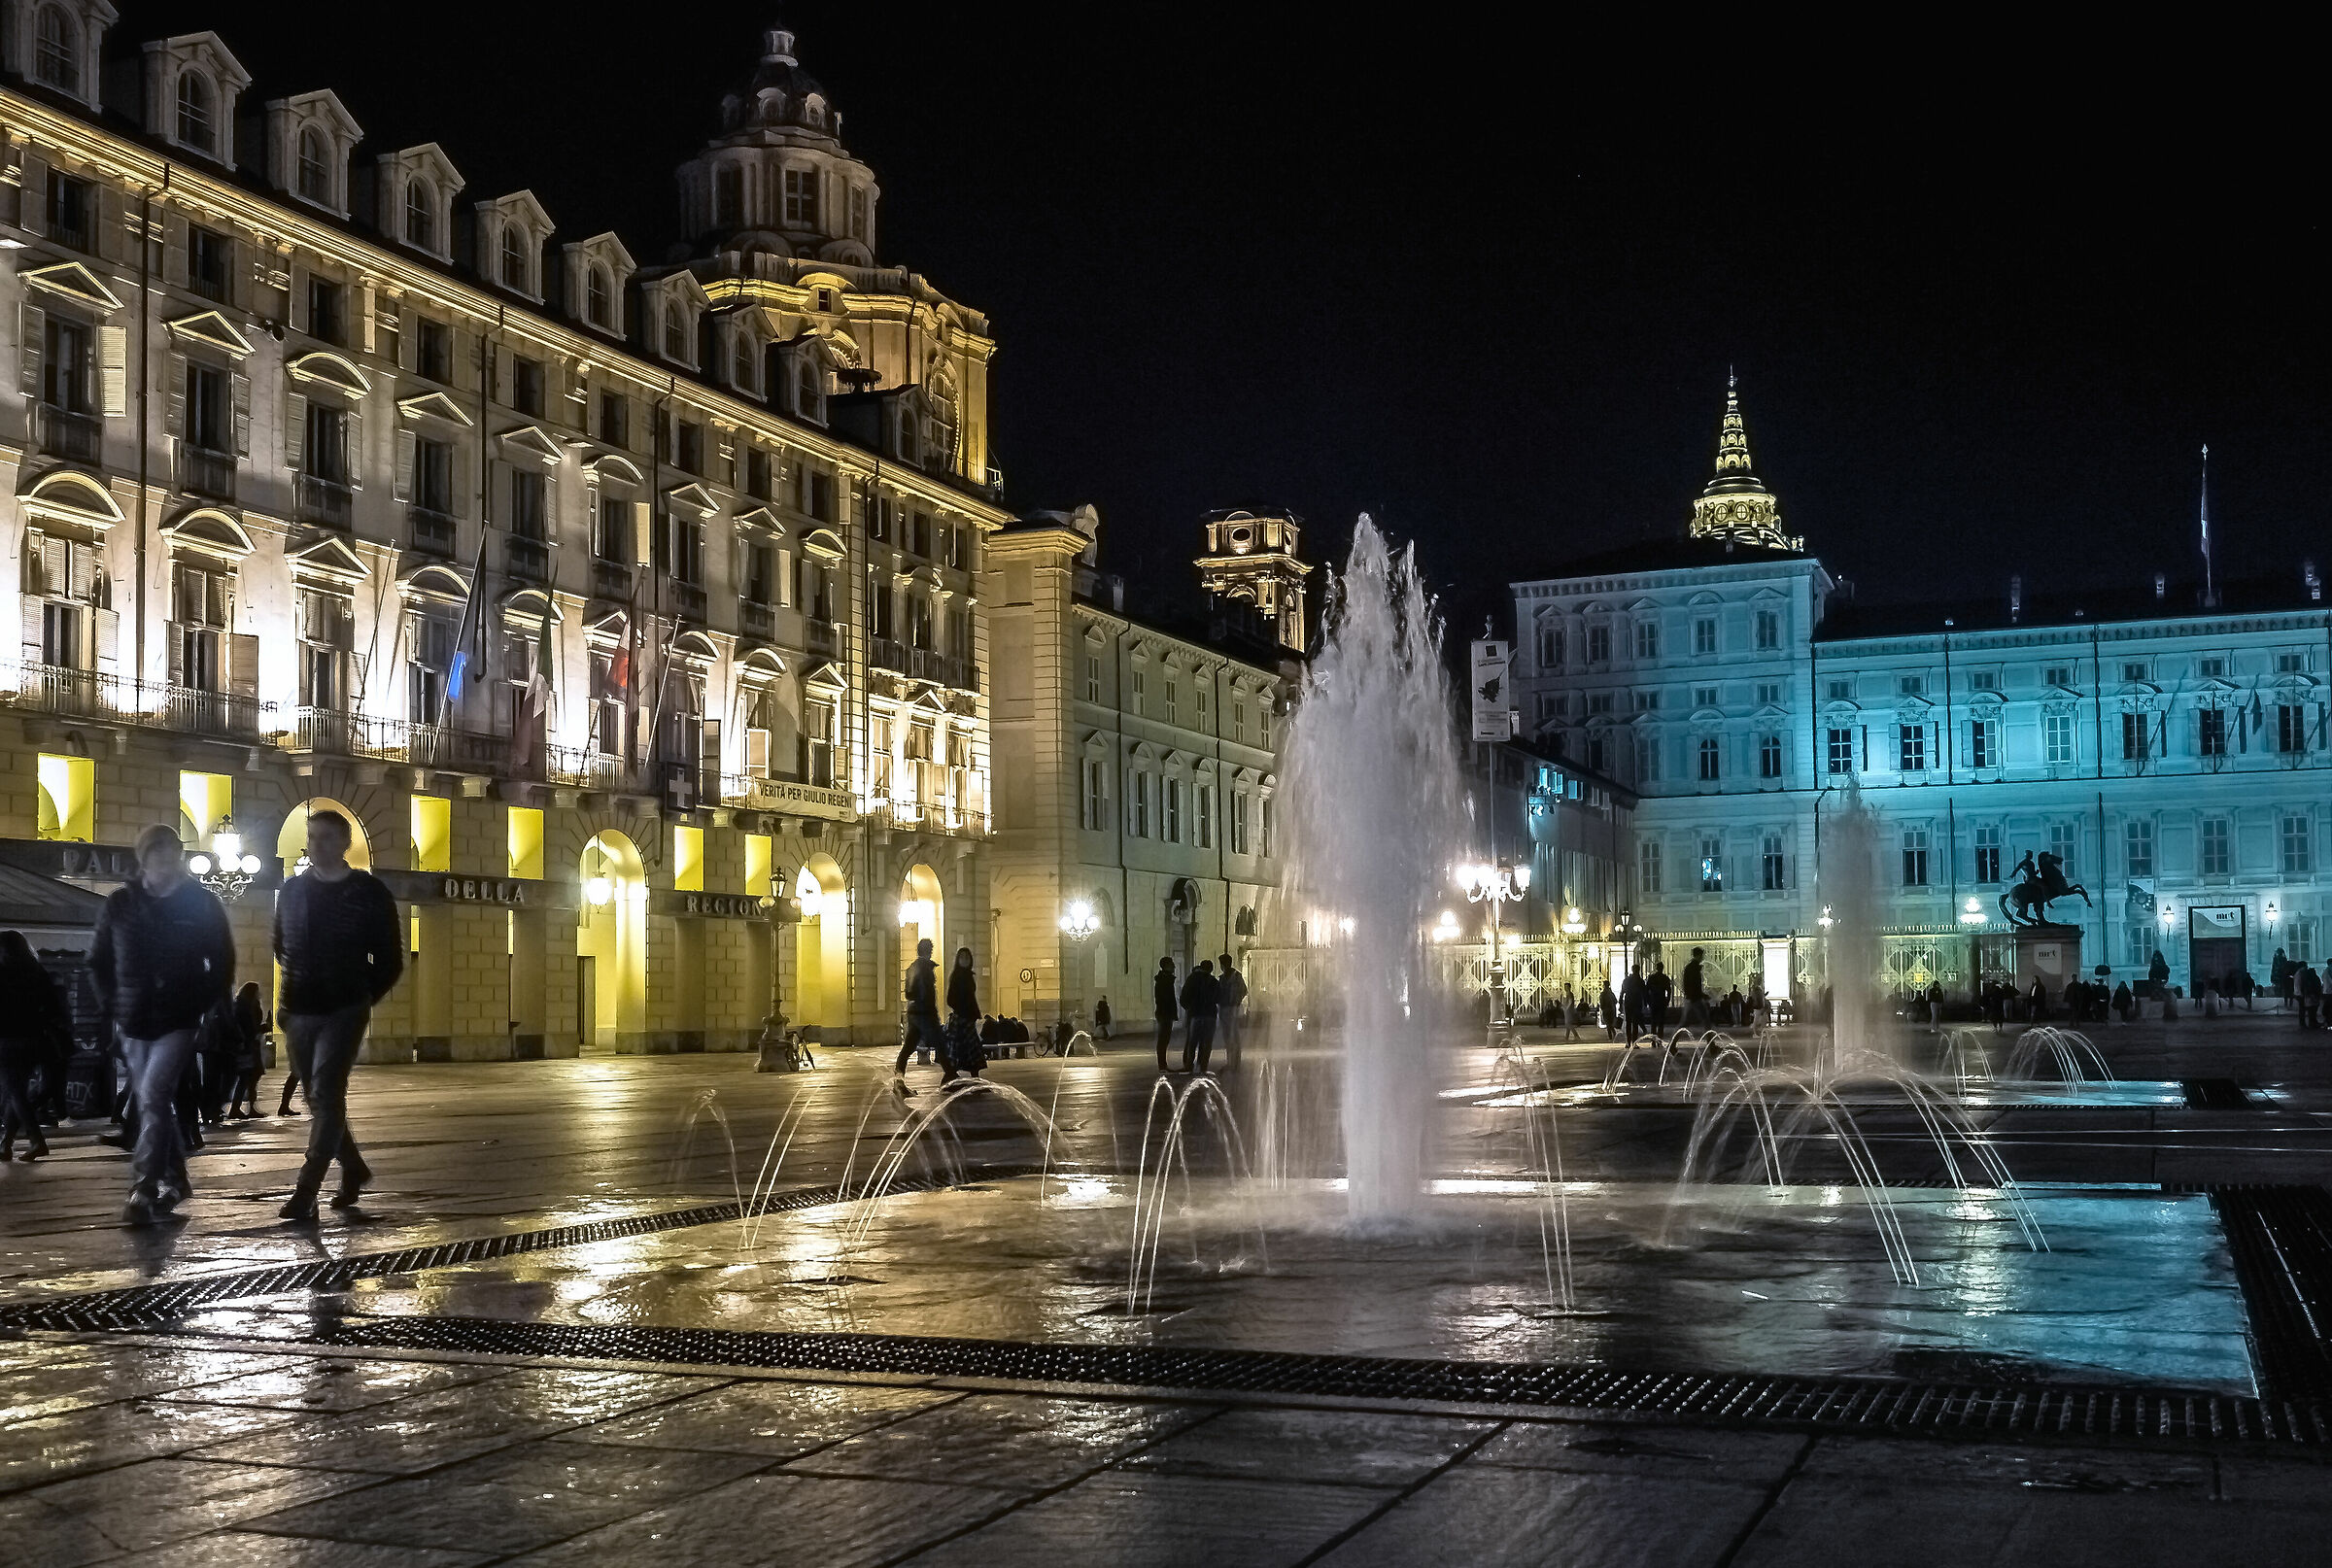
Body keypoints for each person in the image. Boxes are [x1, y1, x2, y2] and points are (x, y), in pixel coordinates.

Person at [90, 824, 236, 1225]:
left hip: (179, 1016)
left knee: (153, 1093)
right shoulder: (121, 903)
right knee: (153, 1100)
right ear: (144, 857)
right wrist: (113, 1005)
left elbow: (222, 960)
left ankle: (143, 1185)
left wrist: (203, 1003)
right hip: (134, 1017)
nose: (165, 859)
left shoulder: (200, 903)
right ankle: (178, 1178)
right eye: (157, 852)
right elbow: (99, 961)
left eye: (172, 851)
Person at [271, 810, 403, 1222]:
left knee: (327, 1093)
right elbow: (282, 947)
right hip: (299, 1006)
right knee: (317, 1099)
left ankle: (306, 1188)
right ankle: (354, 1167)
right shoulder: (292, 891)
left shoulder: (368, 892)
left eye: (327, 838)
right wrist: (289, 1005)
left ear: (345, 844)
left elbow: (390, 960)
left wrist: (361, 998)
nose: (317, 845)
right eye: (312, 837)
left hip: (344, 1006)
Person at [0, 931, 71, 1162]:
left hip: (7, 1039)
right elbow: (52, 1006)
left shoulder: (2, 972)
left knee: (15, 1091)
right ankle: (6, 1144)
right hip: (35, 1040)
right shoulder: (36, 971)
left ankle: (36, 1140)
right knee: (16, 1091)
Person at [895, 937, 944, 1097]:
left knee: (908, 1048)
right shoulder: (924, 968)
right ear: (928, 951)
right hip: (925, 1013)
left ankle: (898, 1080)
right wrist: (932, 1012)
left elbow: (908, 993)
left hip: (914, 1012)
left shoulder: (912, 968)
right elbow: (927, 993)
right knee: (941, 1044)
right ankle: (951, 1076)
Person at [227, 982, 267, 1119]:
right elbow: (250, 1027)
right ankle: (237, 1108)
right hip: (247, 1046)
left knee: (249, 1077)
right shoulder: (246, 1007)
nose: (259, 993)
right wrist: (263, 1028)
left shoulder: (243, 1005)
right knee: (247, 1077)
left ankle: (244, 1107)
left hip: (248, 1045)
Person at [943, 945, 982, 1082]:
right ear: (958, 960)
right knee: (960, 1049)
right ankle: (949, 1077)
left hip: (969, 1018)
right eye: (962, 957)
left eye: (967, 957)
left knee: (970, 1049)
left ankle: (974, 1079)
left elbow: (971, 997)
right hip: (961, 1018)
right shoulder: (957, 976)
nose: (964, 960)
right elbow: (950, 999)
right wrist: (962, 1010)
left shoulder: (969, 976)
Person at [1180, 959, 1220, 1073]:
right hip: (1210, 1015)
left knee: (1192, 1042)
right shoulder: (1213, 981)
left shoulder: (1192, 979)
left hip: (1195, 1015)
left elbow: (1183, 997)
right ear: (1211, 969)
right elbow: (1218, 997)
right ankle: (1203, 1066)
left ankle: (1189, 1065)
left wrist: (1189, 1008)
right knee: (1206, 1042)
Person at [1215, 953, 1248, 1070]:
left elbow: (1244, 990)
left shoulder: (1235, 976)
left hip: (1232, 1008)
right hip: (1224, 1008)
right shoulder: (1223, 977)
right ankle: (1230, 1062)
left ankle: (1235, 1062)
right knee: (1228, 1036)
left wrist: (1236, 1001)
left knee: (1234, 1036)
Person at [1152, 958, 1180, 1072]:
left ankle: (1162, 1064)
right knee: (1163, 1039)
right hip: (1165, 1013)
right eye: (1172, 965)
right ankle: (1162, 1065)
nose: (1174, 967)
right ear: (1167, 966)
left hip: (1164, 1013)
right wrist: (1170, 1012)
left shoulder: (1164, 980)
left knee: (1164, 1039)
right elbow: (1165, 999)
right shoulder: (1165, 981)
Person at [1681, 948, 1708, 1028]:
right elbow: (1694, 984)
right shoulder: (1694, 967)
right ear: (1699, 955)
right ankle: (1710, 1039)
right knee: (1706, 1019)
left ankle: (1710, 1039)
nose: (1703, 958)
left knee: (1685, 1022)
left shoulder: (1691, 967)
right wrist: (1701, 994)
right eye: (1702, 956)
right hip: (1695, 998)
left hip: (1692, 997)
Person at [1646, 962, 1673, 1038]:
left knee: (1653, 1022)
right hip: (1661, 1001)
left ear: (1656, 968)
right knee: (1661, 1022)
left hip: (1654, 1001)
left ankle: (1653, 1039)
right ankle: (1660, 1038)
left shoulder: (1651, 977)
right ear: (1662, 968)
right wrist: (1667, 1000)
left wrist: (1648, 1000)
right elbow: (1669, 990)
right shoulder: (1665, 978)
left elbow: (1647, 989)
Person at [1619, 966, 1645, 1040]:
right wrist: (1646, 1003)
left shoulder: (1626, 980)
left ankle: (1628, 1041)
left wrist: (1620, 1004)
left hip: (1628, 1002)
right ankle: (1634, 1041)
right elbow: (1644, 993)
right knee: (1635, 1023)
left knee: (1628, 1022)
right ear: (1638, 970)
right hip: (1637, 1002)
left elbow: (1622, 993)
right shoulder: (1640, 981)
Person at [2298, 963, 2322, 1030]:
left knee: (2310, 1011)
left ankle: (2311, 1023)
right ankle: (2313, 1023)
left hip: (2309, 997)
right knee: (2313, 1011)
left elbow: (2307, 988)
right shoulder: (2315, 978)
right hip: (2313, 996)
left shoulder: (2306, 979)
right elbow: (2317, 987)